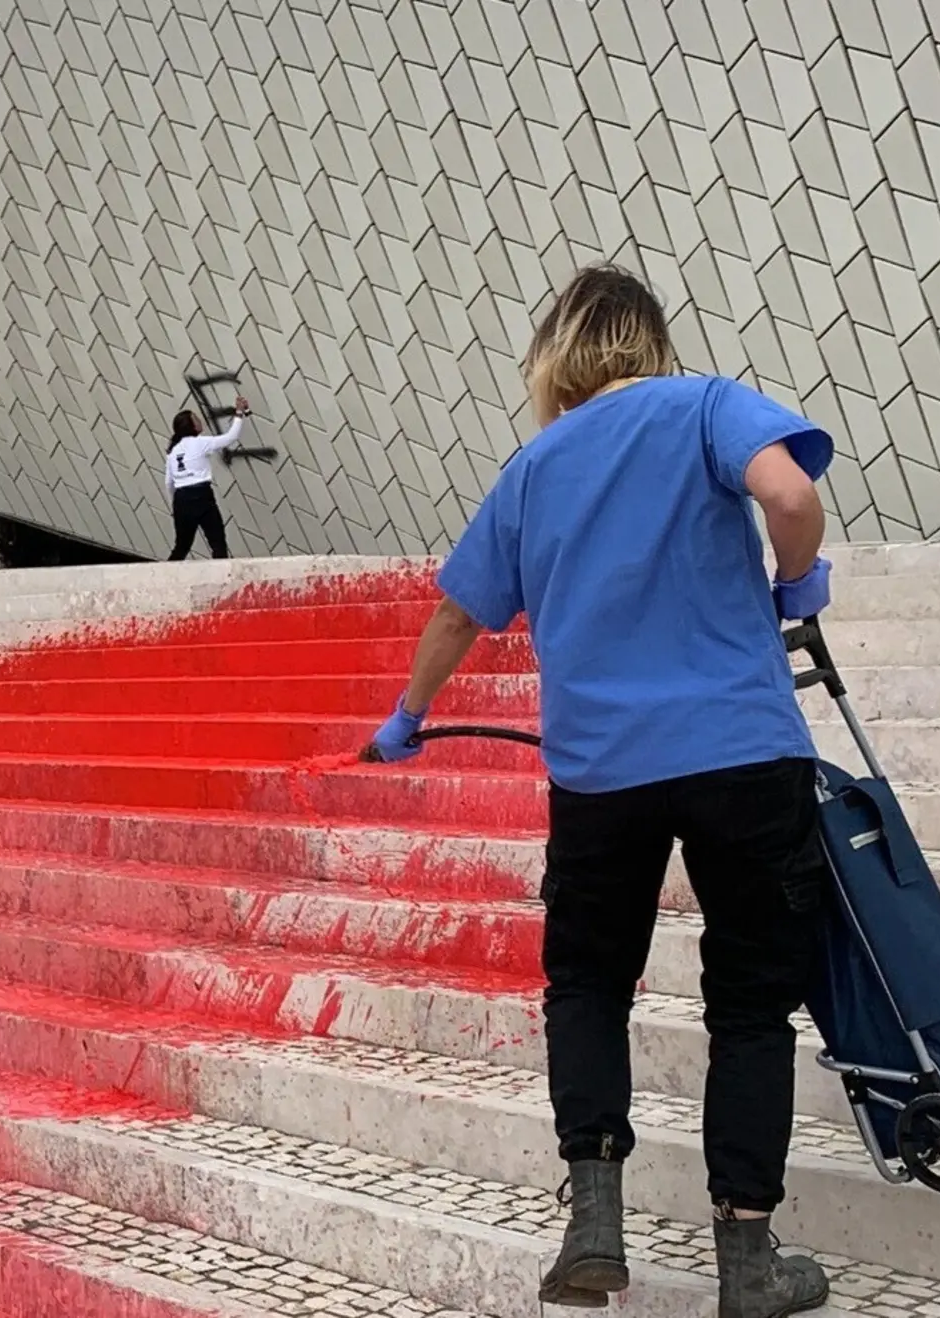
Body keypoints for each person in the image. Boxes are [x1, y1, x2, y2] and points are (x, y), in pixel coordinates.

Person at [366, 264, 836, 1318]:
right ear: (649, 343)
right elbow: (791, 494)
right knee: (752, 1001)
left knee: (587, 984)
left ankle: (593, 1223)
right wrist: (796, 581)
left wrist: (406, 716)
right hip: (743, 754)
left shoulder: (535, 468)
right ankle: (750, 1261)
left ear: (559, 356)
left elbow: (457, 614)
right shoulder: (708, 404)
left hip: (601, 775)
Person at [164, 395, 249, 560]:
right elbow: (230, 437)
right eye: (196, 419)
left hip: (181, 499)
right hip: (201, 495)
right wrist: (239, 413)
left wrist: (174, 504)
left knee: (181, 546)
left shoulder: (173, 451)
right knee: (217, 544)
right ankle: (221, 580)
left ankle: (160, 579)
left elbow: (169, 483)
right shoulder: (200, 442)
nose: (199, 420)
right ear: (191, 426)